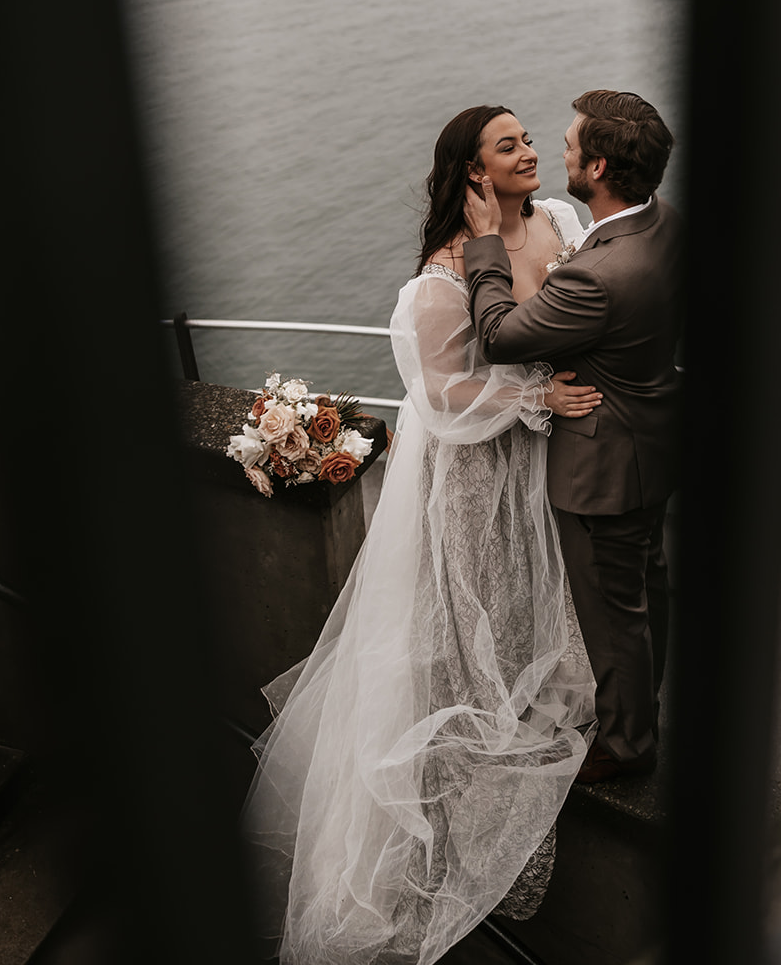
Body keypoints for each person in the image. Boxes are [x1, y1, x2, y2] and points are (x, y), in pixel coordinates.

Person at [242, 105, 600, 965]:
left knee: (535, 605)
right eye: (508, 145)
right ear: (475, 173)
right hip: (477, 477)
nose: (527, 152)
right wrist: (535, 398)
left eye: (525, 139)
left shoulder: (561, 223)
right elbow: (443, 398)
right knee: (468, 628)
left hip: (545, 468)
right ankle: (445, 834)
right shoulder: (438, 281)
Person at [463, 90, 682, 785]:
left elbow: (498, 335)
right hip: (650, 442)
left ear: (597, 165)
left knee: (614, 613)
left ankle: (626, 747)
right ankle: (640, 708)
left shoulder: (596, 274)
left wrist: (484, 245)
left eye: (564, 145)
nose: (550, 153)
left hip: (602, 469)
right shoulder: (664, 225)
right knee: (646, 591)